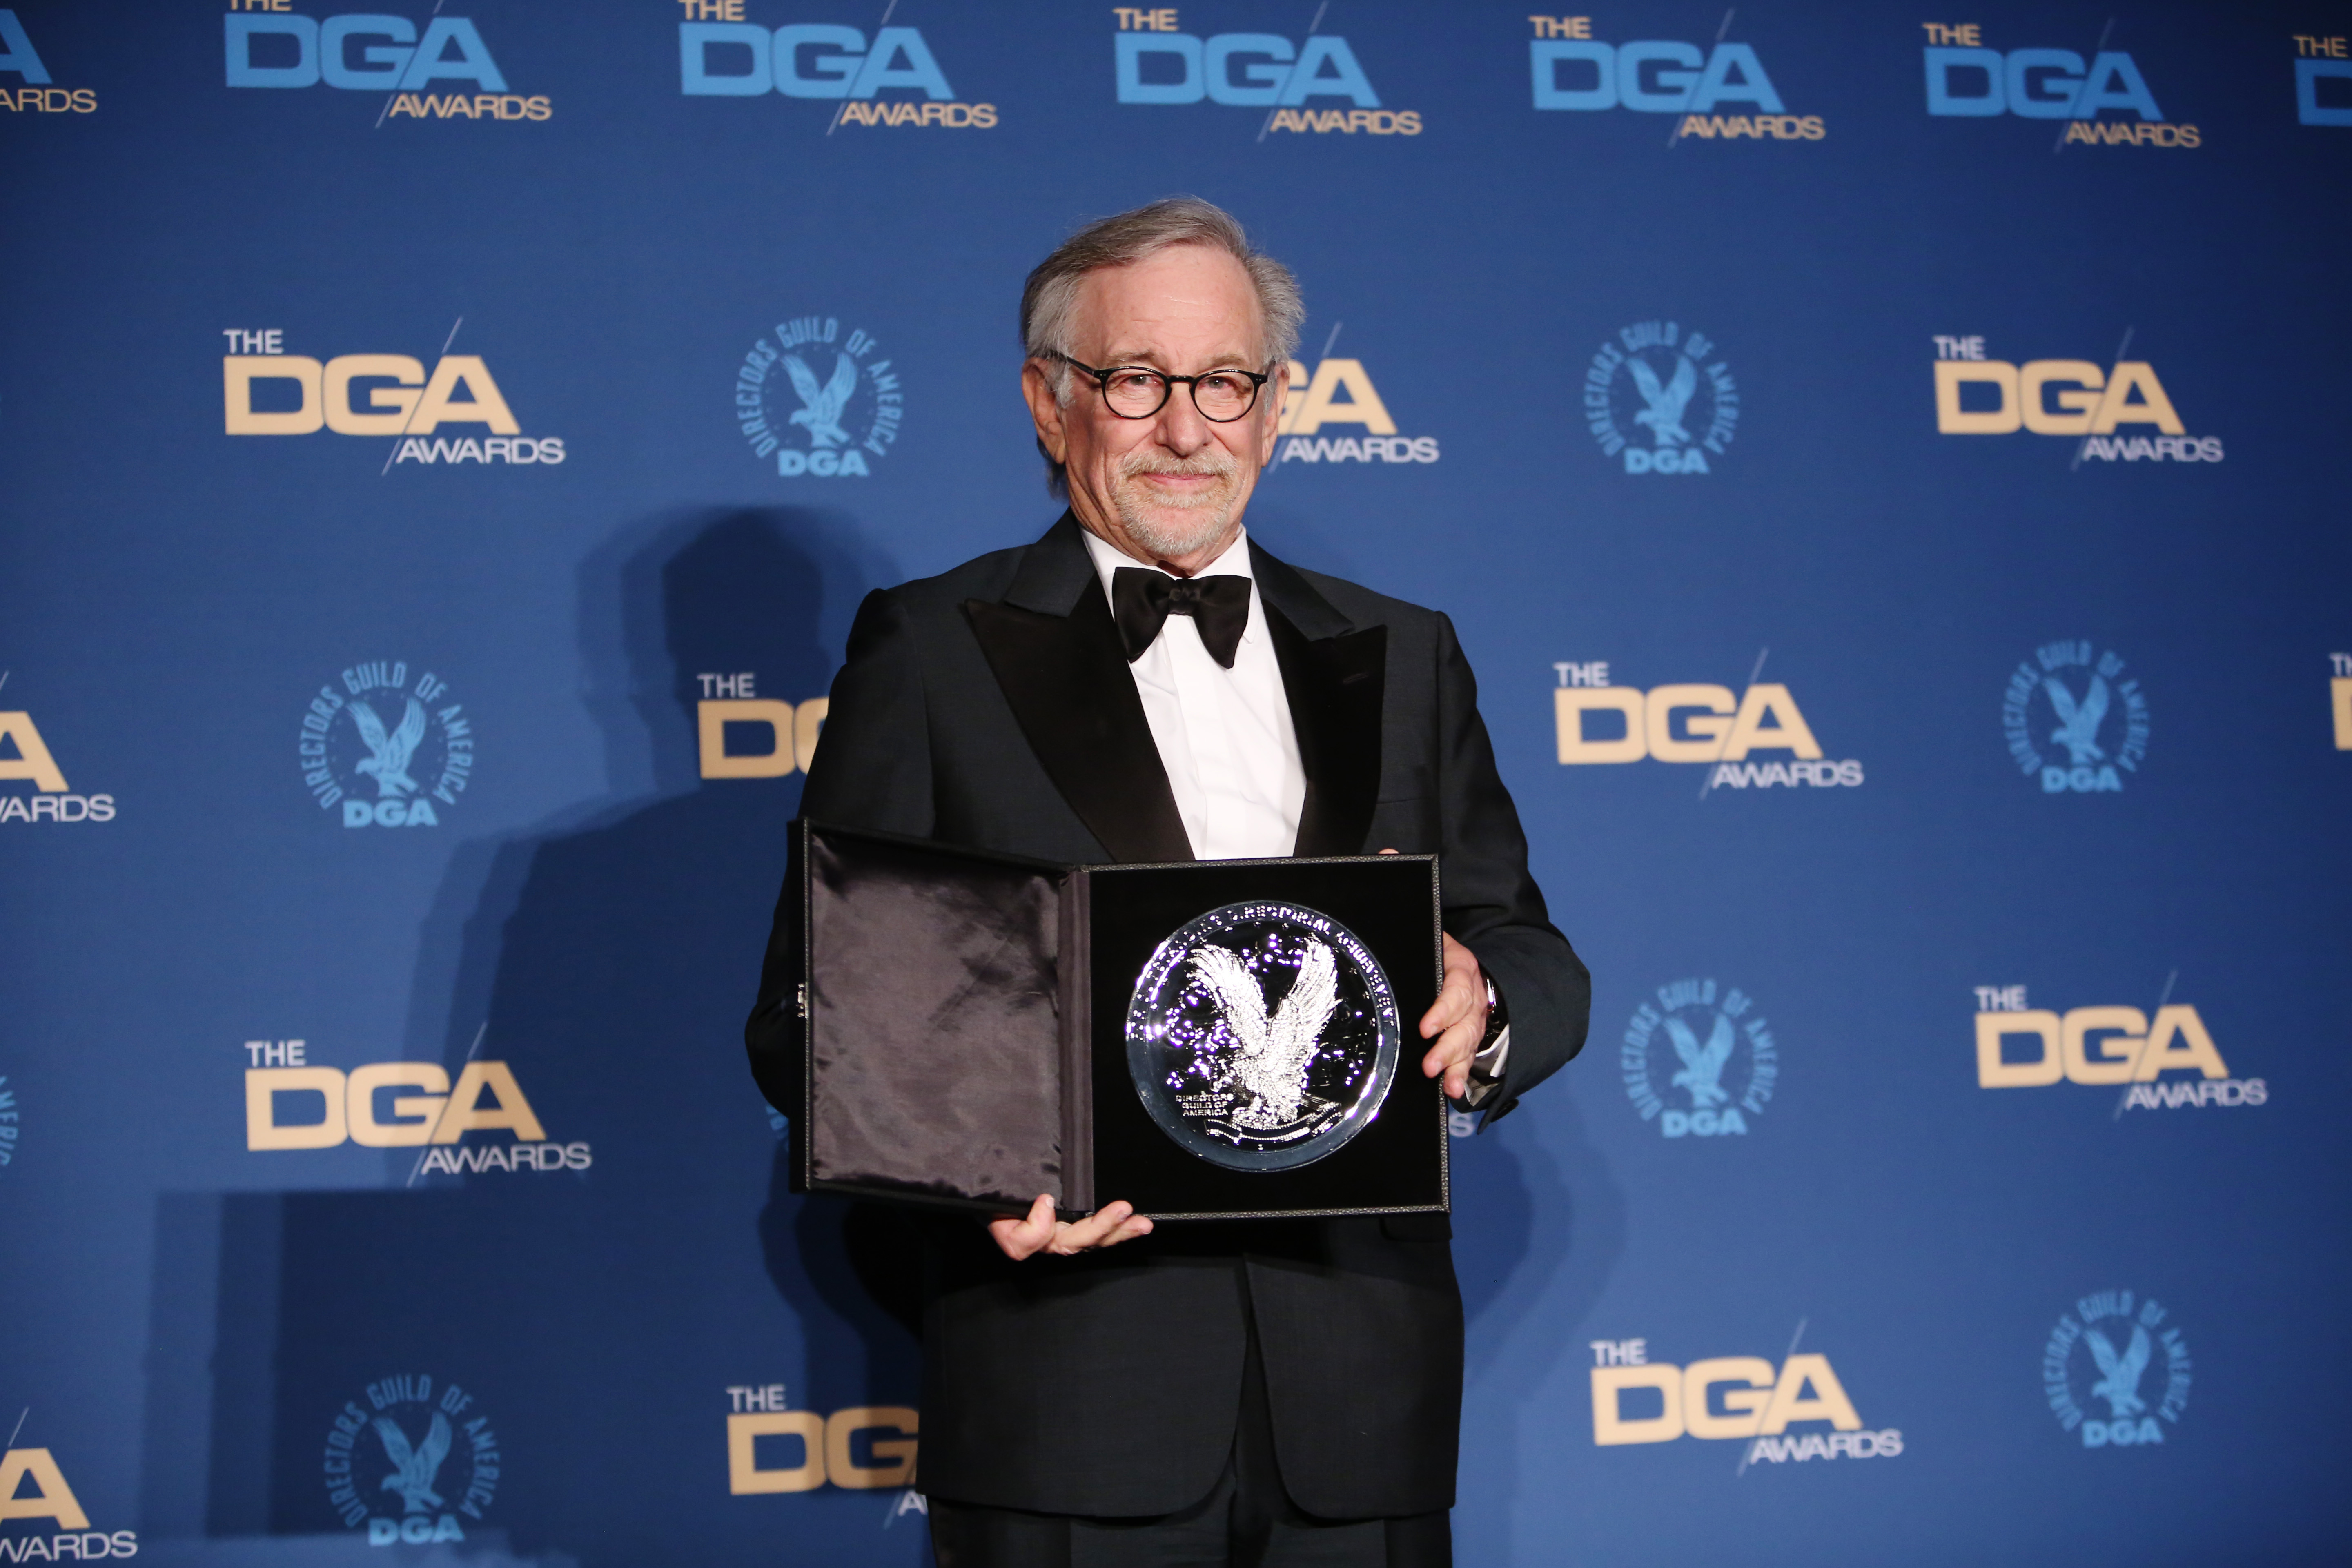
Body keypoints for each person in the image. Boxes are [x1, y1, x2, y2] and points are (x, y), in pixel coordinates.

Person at [746, 197, 1588, 1567]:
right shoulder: (933, 652)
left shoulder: (1409, 649)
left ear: (1276, 404)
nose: (1187, 429)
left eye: (1225, 382)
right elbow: (811, 1021)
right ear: (1049, 398)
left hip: (1361, 1404)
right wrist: (978, 1179)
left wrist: (1483, 1000)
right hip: (1068, 1395)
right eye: (1137, 381)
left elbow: (1527, 946)